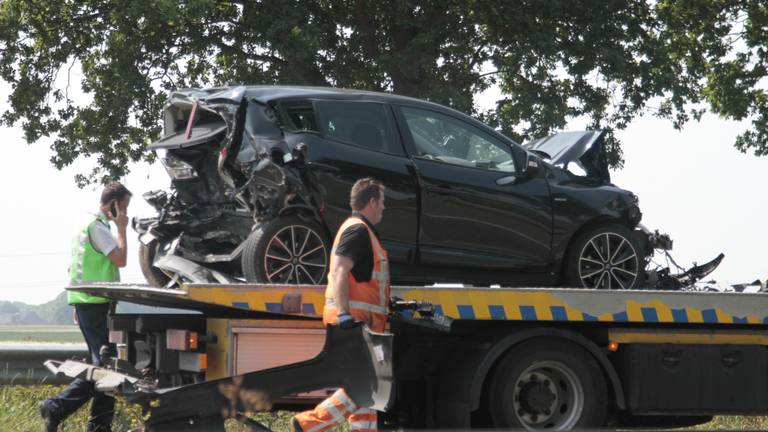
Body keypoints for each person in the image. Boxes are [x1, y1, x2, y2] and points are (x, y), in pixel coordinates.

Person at [292, 177, 389, 432]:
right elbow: (338, 271)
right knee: (366, 384)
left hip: (361, 321)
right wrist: (345, 315)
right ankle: (307, 424)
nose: (384, 208)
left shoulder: (362, 230)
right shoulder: (357, 229)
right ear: (370, 202)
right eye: (382, 202)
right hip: (353, 322)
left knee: (369, 387)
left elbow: (362, 278)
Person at [40, 181, 132, 432]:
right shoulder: (100, 228)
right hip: (95, 303)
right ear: (112, 204)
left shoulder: (84, 224)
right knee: (105, 368)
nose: (125, 214)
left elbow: (75, 268)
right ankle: (57, 407)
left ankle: (98, 424)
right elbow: (121, 260)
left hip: (87, 302)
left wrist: (75, 305)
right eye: (123, 207)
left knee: (106, 365)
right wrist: (122, 229)